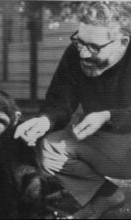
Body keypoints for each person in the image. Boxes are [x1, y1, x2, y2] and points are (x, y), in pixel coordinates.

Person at [14, 2, 131, 219]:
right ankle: (106, 196)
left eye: (95, 47)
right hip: (109, 146)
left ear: (123, 42)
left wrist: (108, 116)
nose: (84, 54)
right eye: (79, 41)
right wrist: (46, 120)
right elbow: (61, 99)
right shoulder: (74, 54)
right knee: (50, 148)